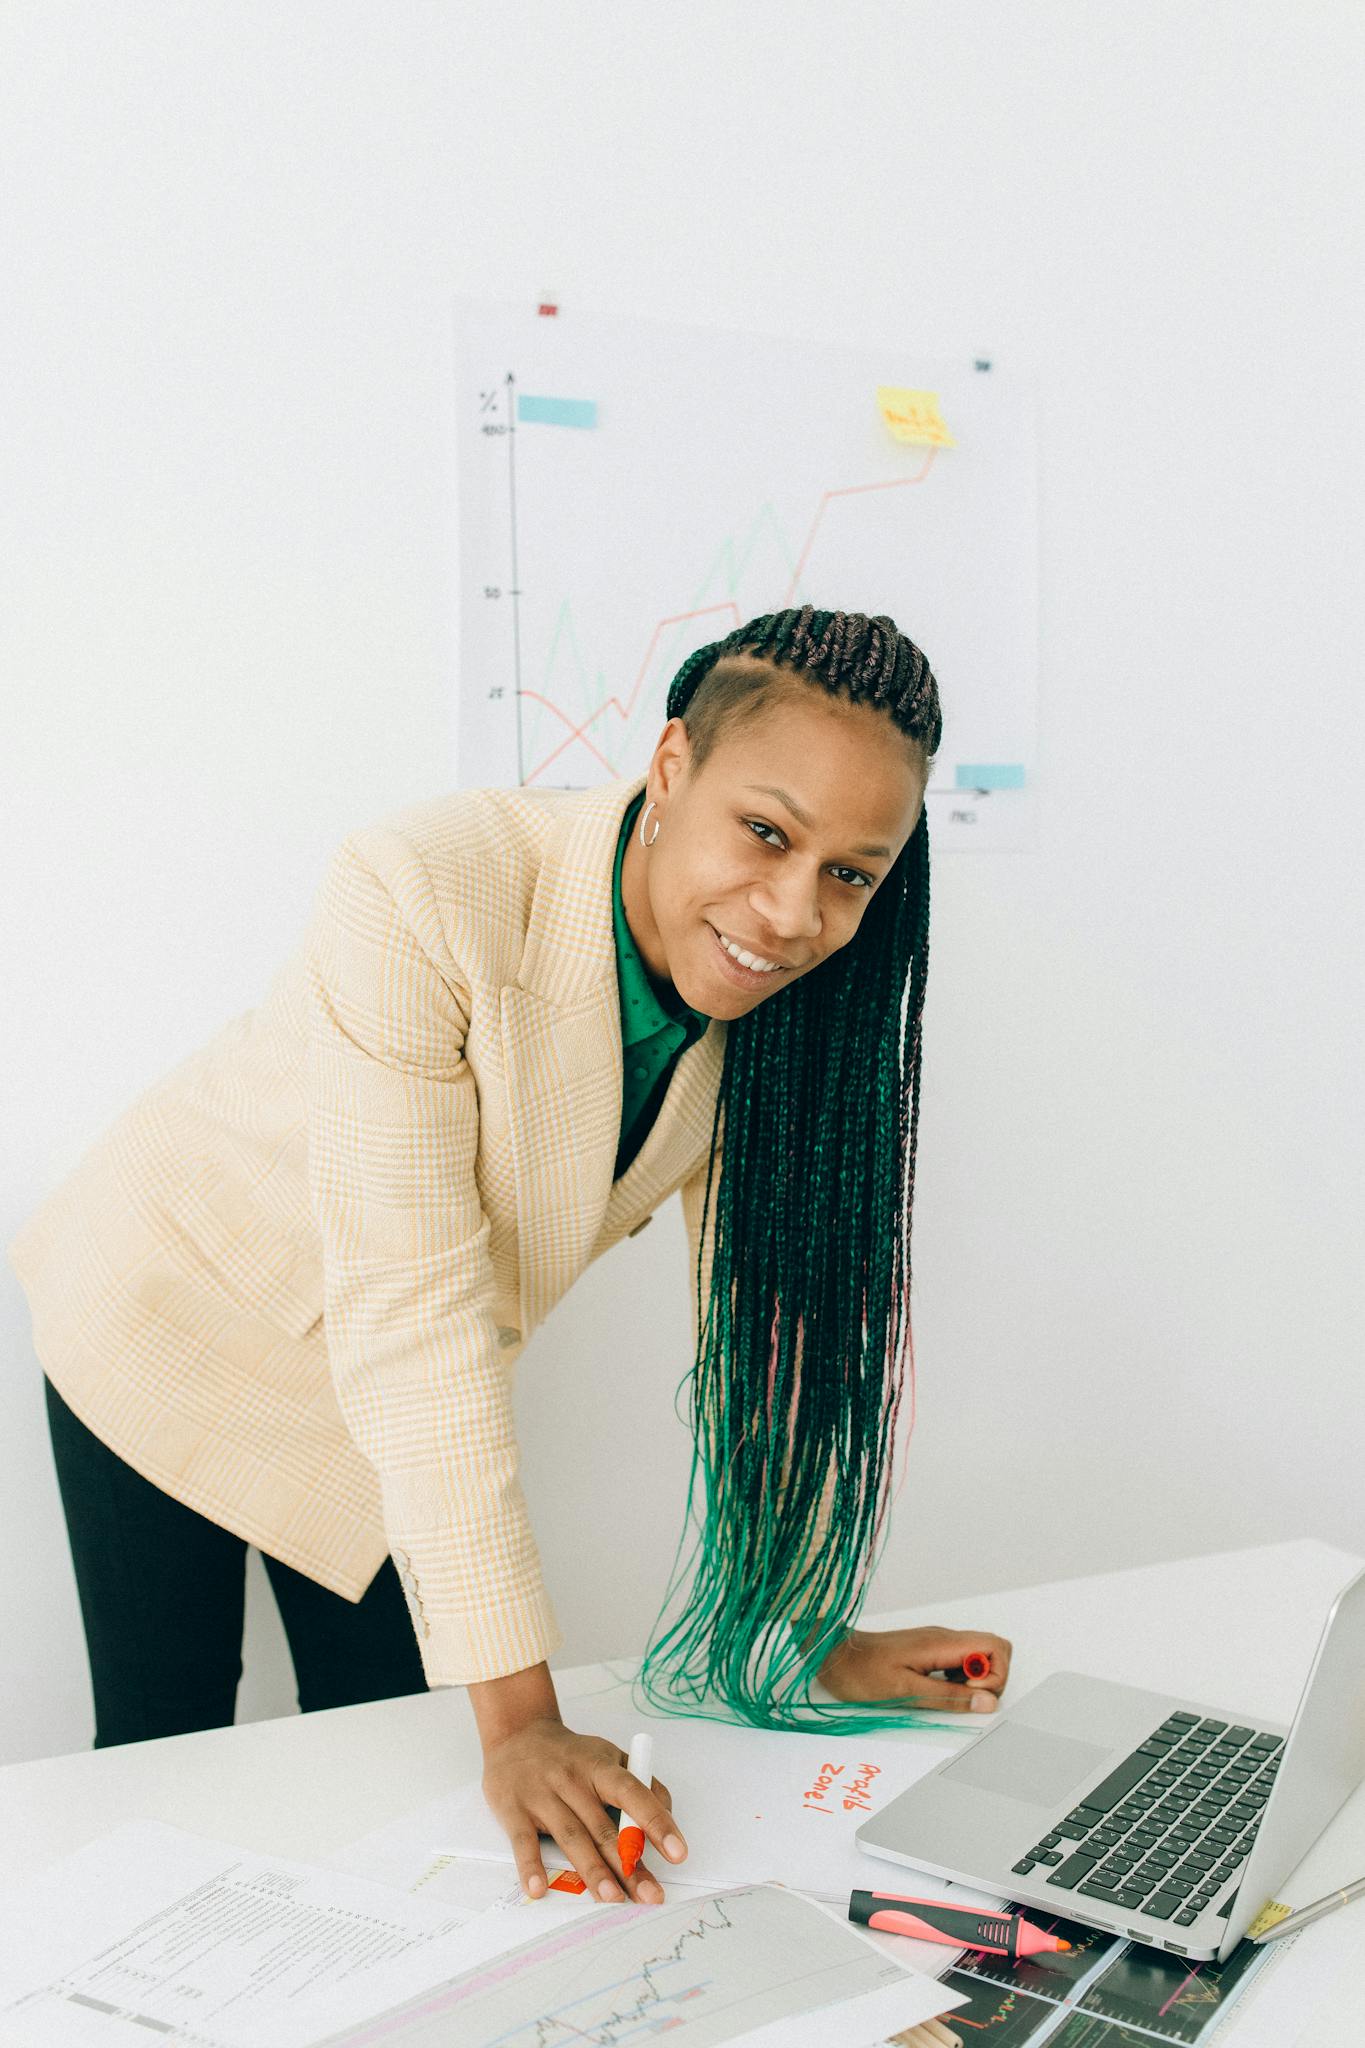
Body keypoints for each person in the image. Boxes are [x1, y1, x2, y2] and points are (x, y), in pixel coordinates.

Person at [10, 604, 1012, 1910]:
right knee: (171, 1754)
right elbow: (416, 1308)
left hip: (387, 1401)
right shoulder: (424, 884)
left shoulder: (777, 1006)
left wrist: (803, 1638)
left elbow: (760, 1335)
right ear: (669, 772)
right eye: (765, 832)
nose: (790, 911)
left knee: (396, 1782)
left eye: (850, 872)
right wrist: (522, 1719)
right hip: (176, 1316)